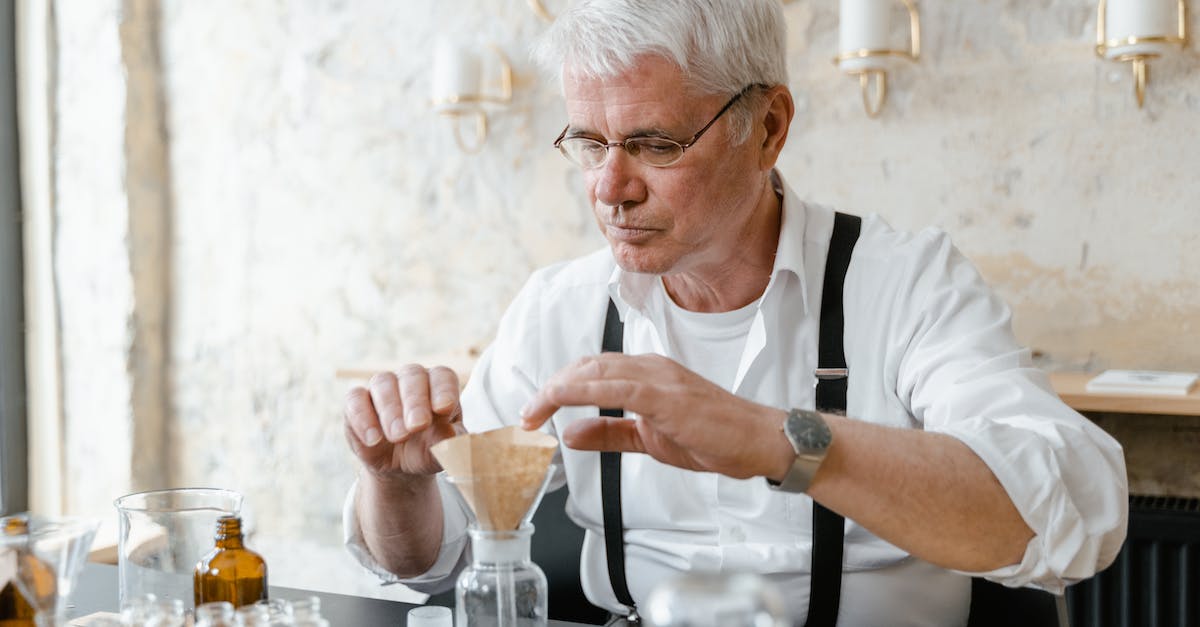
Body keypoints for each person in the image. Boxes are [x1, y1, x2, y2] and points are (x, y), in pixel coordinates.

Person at [342, 1, 1127, 625]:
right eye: (589, 141)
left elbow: (1078, 511)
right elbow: (429, 555)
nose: (609, 188)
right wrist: (397, 485)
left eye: (652, 144)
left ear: (769, 128)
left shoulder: (905, 284)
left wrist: (779, 440)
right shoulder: (560, 307)